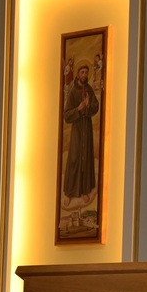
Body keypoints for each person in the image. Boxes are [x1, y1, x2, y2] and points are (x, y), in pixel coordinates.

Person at [61, 61, 100, 208]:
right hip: (77, 130)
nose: (84, 75)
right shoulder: (73, 92)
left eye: (86, 72)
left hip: (87, 129)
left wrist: (89, 106)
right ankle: (70, 193)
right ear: (78, 74)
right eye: (82, 72)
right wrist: (79, 108)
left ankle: (84, 191)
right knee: (75, 158)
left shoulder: (89, 89)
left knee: (86, 158)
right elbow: (66, 115)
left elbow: (96, 107)